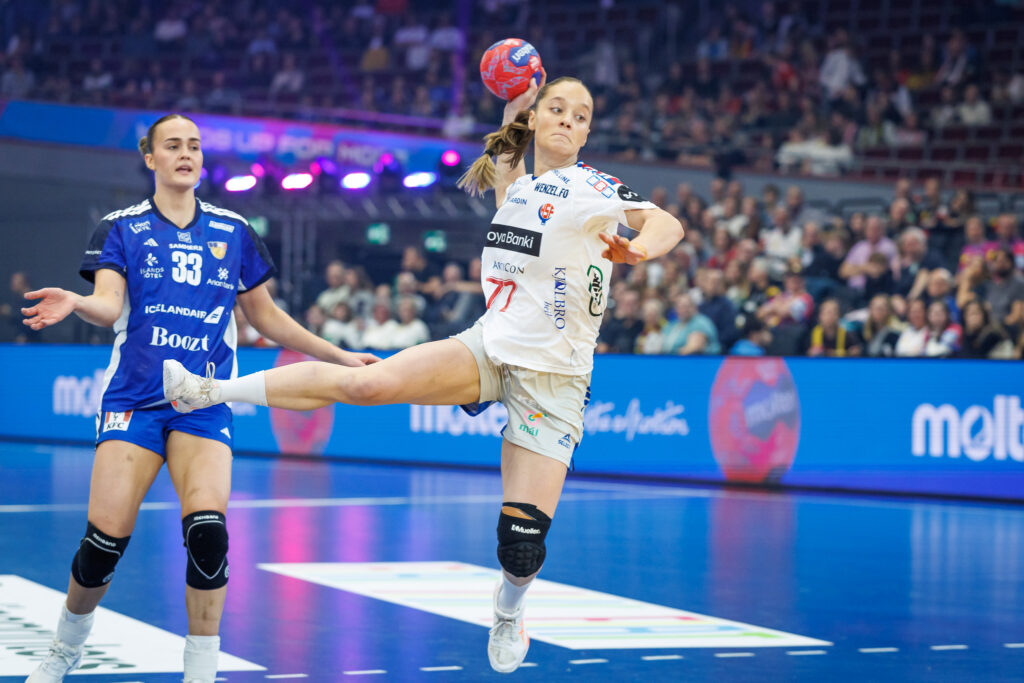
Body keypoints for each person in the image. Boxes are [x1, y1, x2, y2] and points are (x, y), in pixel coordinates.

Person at [162, 76, 684, 674]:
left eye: (581, 115)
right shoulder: (518, 188)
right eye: (557, 109)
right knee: (367, 383)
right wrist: (514, 107)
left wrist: (639, 250)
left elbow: (666, 223)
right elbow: (509, 160)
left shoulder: (593, 186)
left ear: (587, 133)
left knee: (520, 547)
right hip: (489, 347)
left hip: (556, 379)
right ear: (538, 121)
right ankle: (206, 390)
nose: (568, 120)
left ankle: (509, 609)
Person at [20, 114, 377, 683]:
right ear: (150, 158)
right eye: (173, 146)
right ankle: (65, 649)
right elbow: (109, 305)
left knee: (208, 535)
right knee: (102, 545)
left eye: (193, 145)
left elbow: (266, 317)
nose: (186, 153)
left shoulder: (233, 231)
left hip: (204, 403)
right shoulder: (121, 227)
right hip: (135, 401)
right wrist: (77, 301)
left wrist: (338, 355)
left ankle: (201, 671)